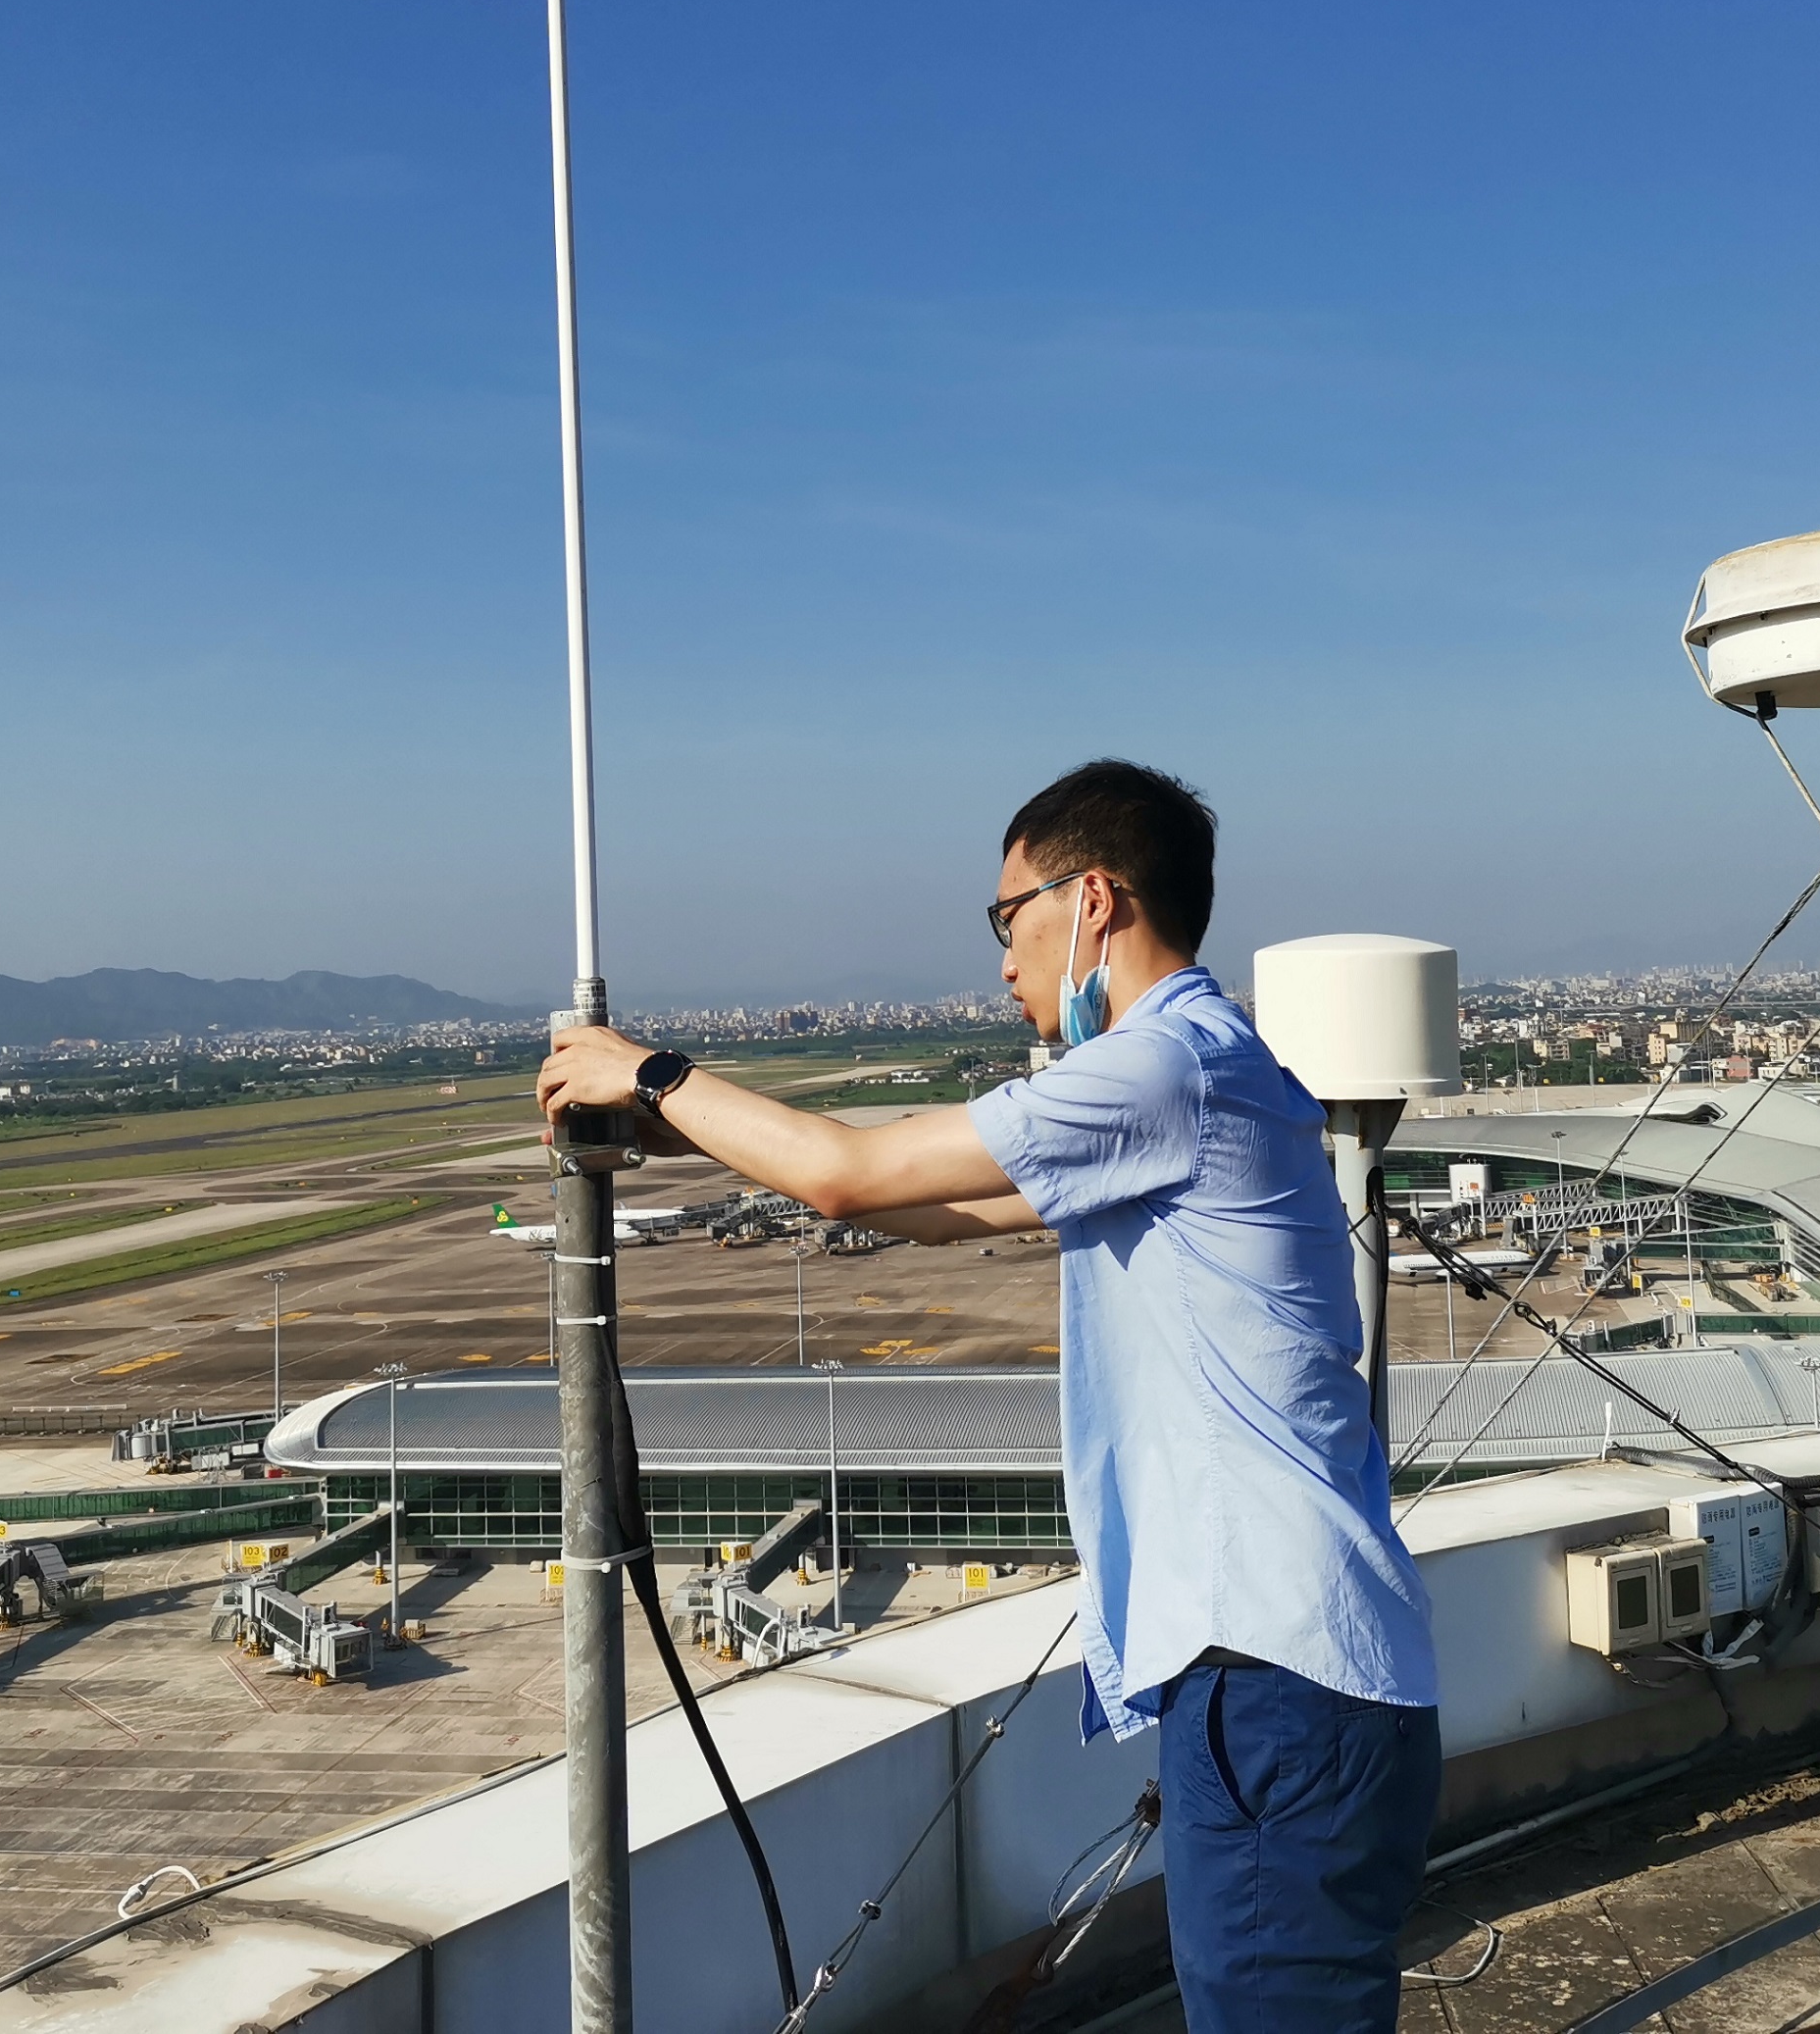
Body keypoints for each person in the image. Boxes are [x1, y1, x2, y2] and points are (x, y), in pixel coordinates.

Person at [535, 758, 1444, 2030]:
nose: (1004, 961)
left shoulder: (1164, 1070)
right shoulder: (1199, 1075)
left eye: (1008, 916)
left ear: (1097, 902)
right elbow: (929, 1207)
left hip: (1276, 1674)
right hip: (1295, 1670)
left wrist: (649, 1072)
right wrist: (666, 1128)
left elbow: (853, 1176)